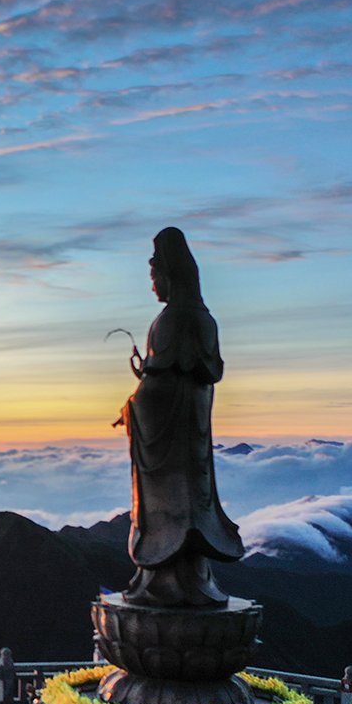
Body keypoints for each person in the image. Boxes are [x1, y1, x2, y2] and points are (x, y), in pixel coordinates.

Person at [116, 227, 244, 606]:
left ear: (170, 276)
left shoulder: (169, 320)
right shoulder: (205, 319)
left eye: (154, 277)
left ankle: (164, 583)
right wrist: (149, 377)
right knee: (193, 501)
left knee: (172, 509)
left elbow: (161, 389)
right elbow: (193, 379)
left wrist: (133, 405)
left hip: (170, 445)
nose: (152, 286)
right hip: (194, 441)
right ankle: (193, 576)